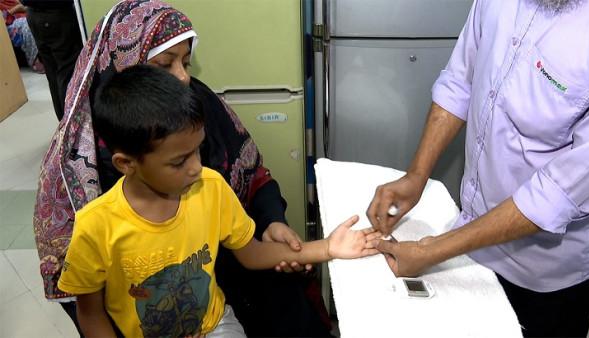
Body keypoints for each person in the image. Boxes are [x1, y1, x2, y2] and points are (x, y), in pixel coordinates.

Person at [33, 1, 334, 337]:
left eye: (186, 62)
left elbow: (251, 178)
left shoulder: (196, 116)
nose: (182, 76)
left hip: (219, 283)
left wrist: (272, 220)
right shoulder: (85, 184)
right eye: (164, 64)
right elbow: (92, 309)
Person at [57, 64, 379, 338]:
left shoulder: (210, 187)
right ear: (126, 164)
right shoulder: (95, 226)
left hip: (215, 326)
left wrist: (327, 248)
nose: (197, 167)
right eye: (179, 161)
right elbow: (91, 313)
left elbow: (252, 254)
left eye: (198, 150)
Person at [367, 1, 589, 337]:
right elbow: (461, 82)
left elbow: (556, 193)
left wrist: (434, 250)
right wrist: (417, 175)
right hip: (470, 238)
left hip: (545, 280)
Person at [21, 0, 82, 120]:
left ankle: (63, 123)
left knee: (52, 72)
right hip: (56, 14)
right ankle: (70, 125)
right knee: (67, 72)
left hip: (34, 15)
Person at [0, 0, 44, 73]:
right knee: (27, 24)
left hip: (25, 15)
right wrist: (12, 11)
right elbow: (2, 19)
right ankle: (34, 60)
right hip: (8, 24)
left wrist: (23, 8)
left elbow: (27, 7)